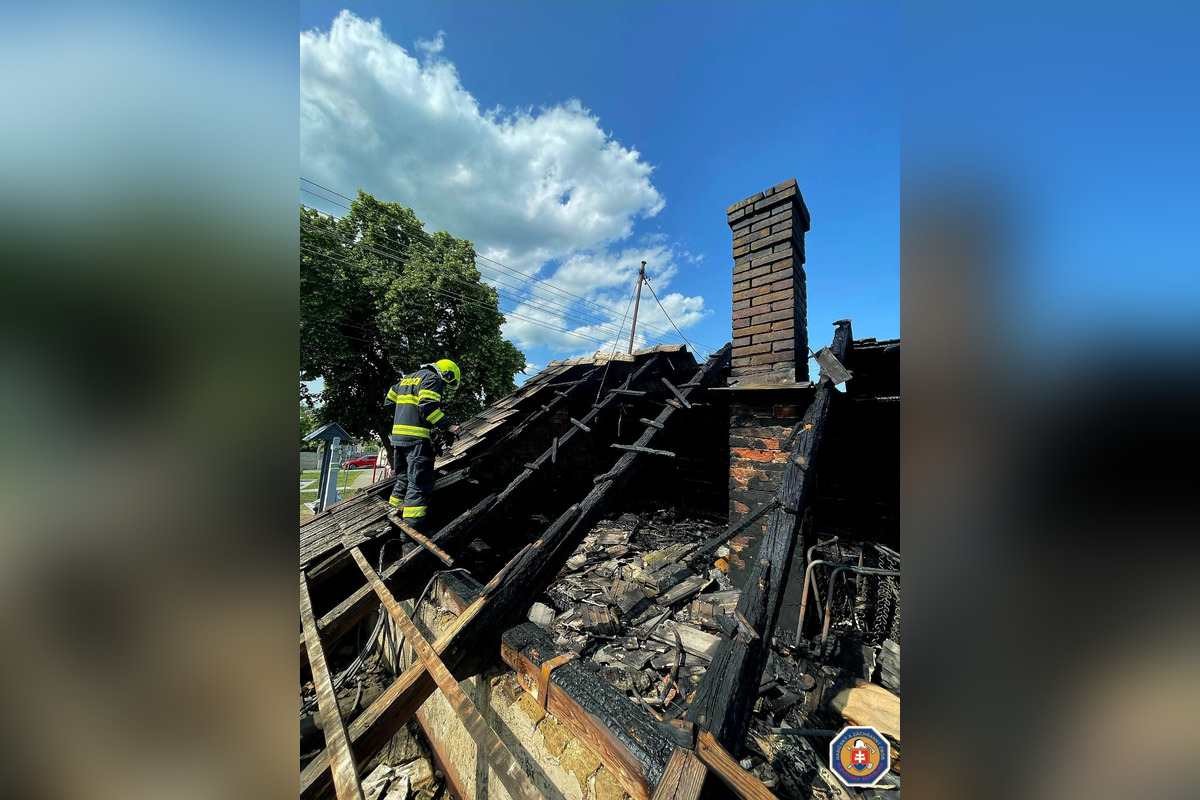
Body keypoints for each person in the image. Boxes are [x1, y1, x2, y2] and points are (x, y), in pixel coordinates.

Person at [385, 358, 463, 529]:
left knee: (402, 479)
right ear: (447, 374)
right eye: (447, 383)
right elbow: (428, 408)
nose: (444, 386)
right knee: (419, 484)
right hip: (416, 440)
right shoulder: (433, 379)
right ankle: (410, 532)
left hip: (398, 439)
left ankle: (390, 518)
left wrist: (404, 415)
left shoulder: (407, 378)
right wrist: (449, 426)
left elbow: (389, 400)